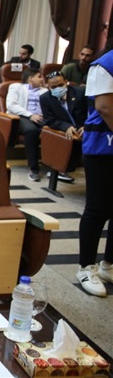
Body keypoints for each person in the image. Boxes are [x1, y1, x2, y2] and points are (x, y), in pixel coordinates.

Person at [76, 47, 113, 297]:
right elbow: (105, 107)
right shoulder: (106, 64)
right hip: (102, 148)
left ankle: (108, 264)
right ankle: (86, 267)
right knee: (97, 208)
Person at [40, 71, 86, 183]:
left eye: (60, 85)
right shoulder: (45, 98)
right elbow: (49, 120)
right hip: (66, 131)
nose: (58, 88)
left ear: (66, 82)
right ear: (48, 86)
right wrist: (66, 127)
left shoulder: (80, 92)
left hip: (85, 128)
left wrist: (86, 126)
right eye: (53, 87)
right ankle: (58, 170)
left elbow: (92, 111)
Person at [6, 68, 47, 181]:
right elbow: (11, 105)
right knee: (31, 131)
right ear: (30, 79)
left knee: (55, 130)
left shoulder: (45, 91)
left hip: (41, 117)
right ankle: (33, 169)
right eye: (39, 77)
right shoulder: (16, 87)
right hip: (21, 116)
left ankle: (58, 168)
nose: (42, 79)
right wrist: (30, 115)